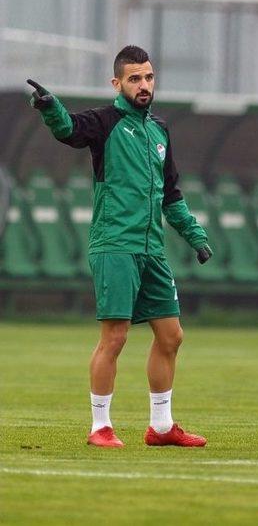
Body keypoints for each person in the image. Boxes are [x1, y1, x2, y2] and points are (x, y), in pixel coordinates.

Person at [28, 45, 213, 448]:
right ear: (117, 83)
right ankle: (100, 428)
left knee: (171, 335)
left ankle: (161, 428)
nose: (143, 85)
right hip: (114, 244)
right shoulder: (105, 122)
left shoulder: (159, 130)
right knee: (115, 337)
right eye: (134, 79)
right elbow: (69, 130)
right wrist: (50, 107)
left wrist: (196, 236)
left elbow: (171, 196)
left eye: (148, 77)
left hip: (152, 250)